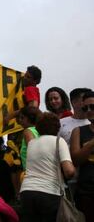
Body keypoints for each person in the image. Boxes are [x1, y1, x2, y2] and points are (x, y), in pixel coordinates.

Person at [20, 112, 75, 222]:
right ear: (57, 127)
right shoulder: (59, 141)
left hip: (27, 191)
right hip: (49, 192)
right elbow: (69, 171)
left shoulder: (32, 143)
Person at [70, 90, 94, 221]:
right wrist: (91, 144)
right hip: (86, 192)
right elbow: (75, 159)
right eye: (85, 108)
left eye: (92, 106)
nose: (89, 110)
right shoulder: (78, 131)